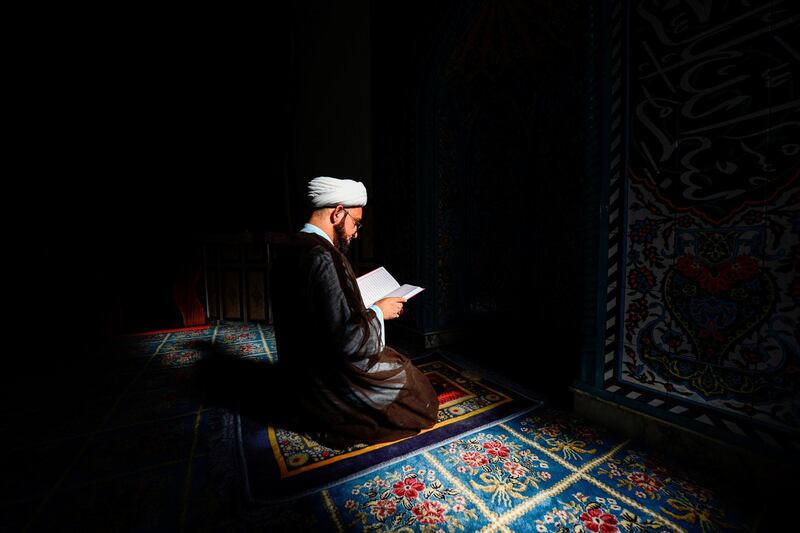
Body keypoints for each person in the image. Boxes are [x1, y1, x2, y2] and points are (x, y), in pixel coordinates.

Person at [269, 176, 439, 448]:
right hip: (327, 386)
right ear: (338, 213)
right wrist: (379, 311)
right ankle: (342, 416)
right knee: (418, 393)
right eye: (356, 223)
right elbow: (348, 342)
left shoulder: (288, 248)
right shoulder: (323, 256)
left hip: (298, 382)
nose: (356, 232)